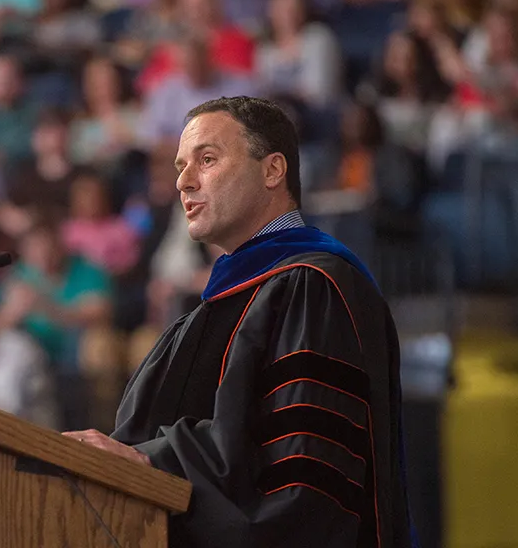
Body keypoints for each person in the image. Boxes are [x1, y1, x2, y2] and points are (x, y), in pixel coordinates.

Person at [64, 96, 414, 548]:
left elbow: (300, 472)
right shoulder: (218, 306)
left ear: (273, 170)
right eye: (179, 166)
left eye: (206, 160)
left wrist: (152, 462)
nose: (184, 182)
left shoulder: (314, 288)